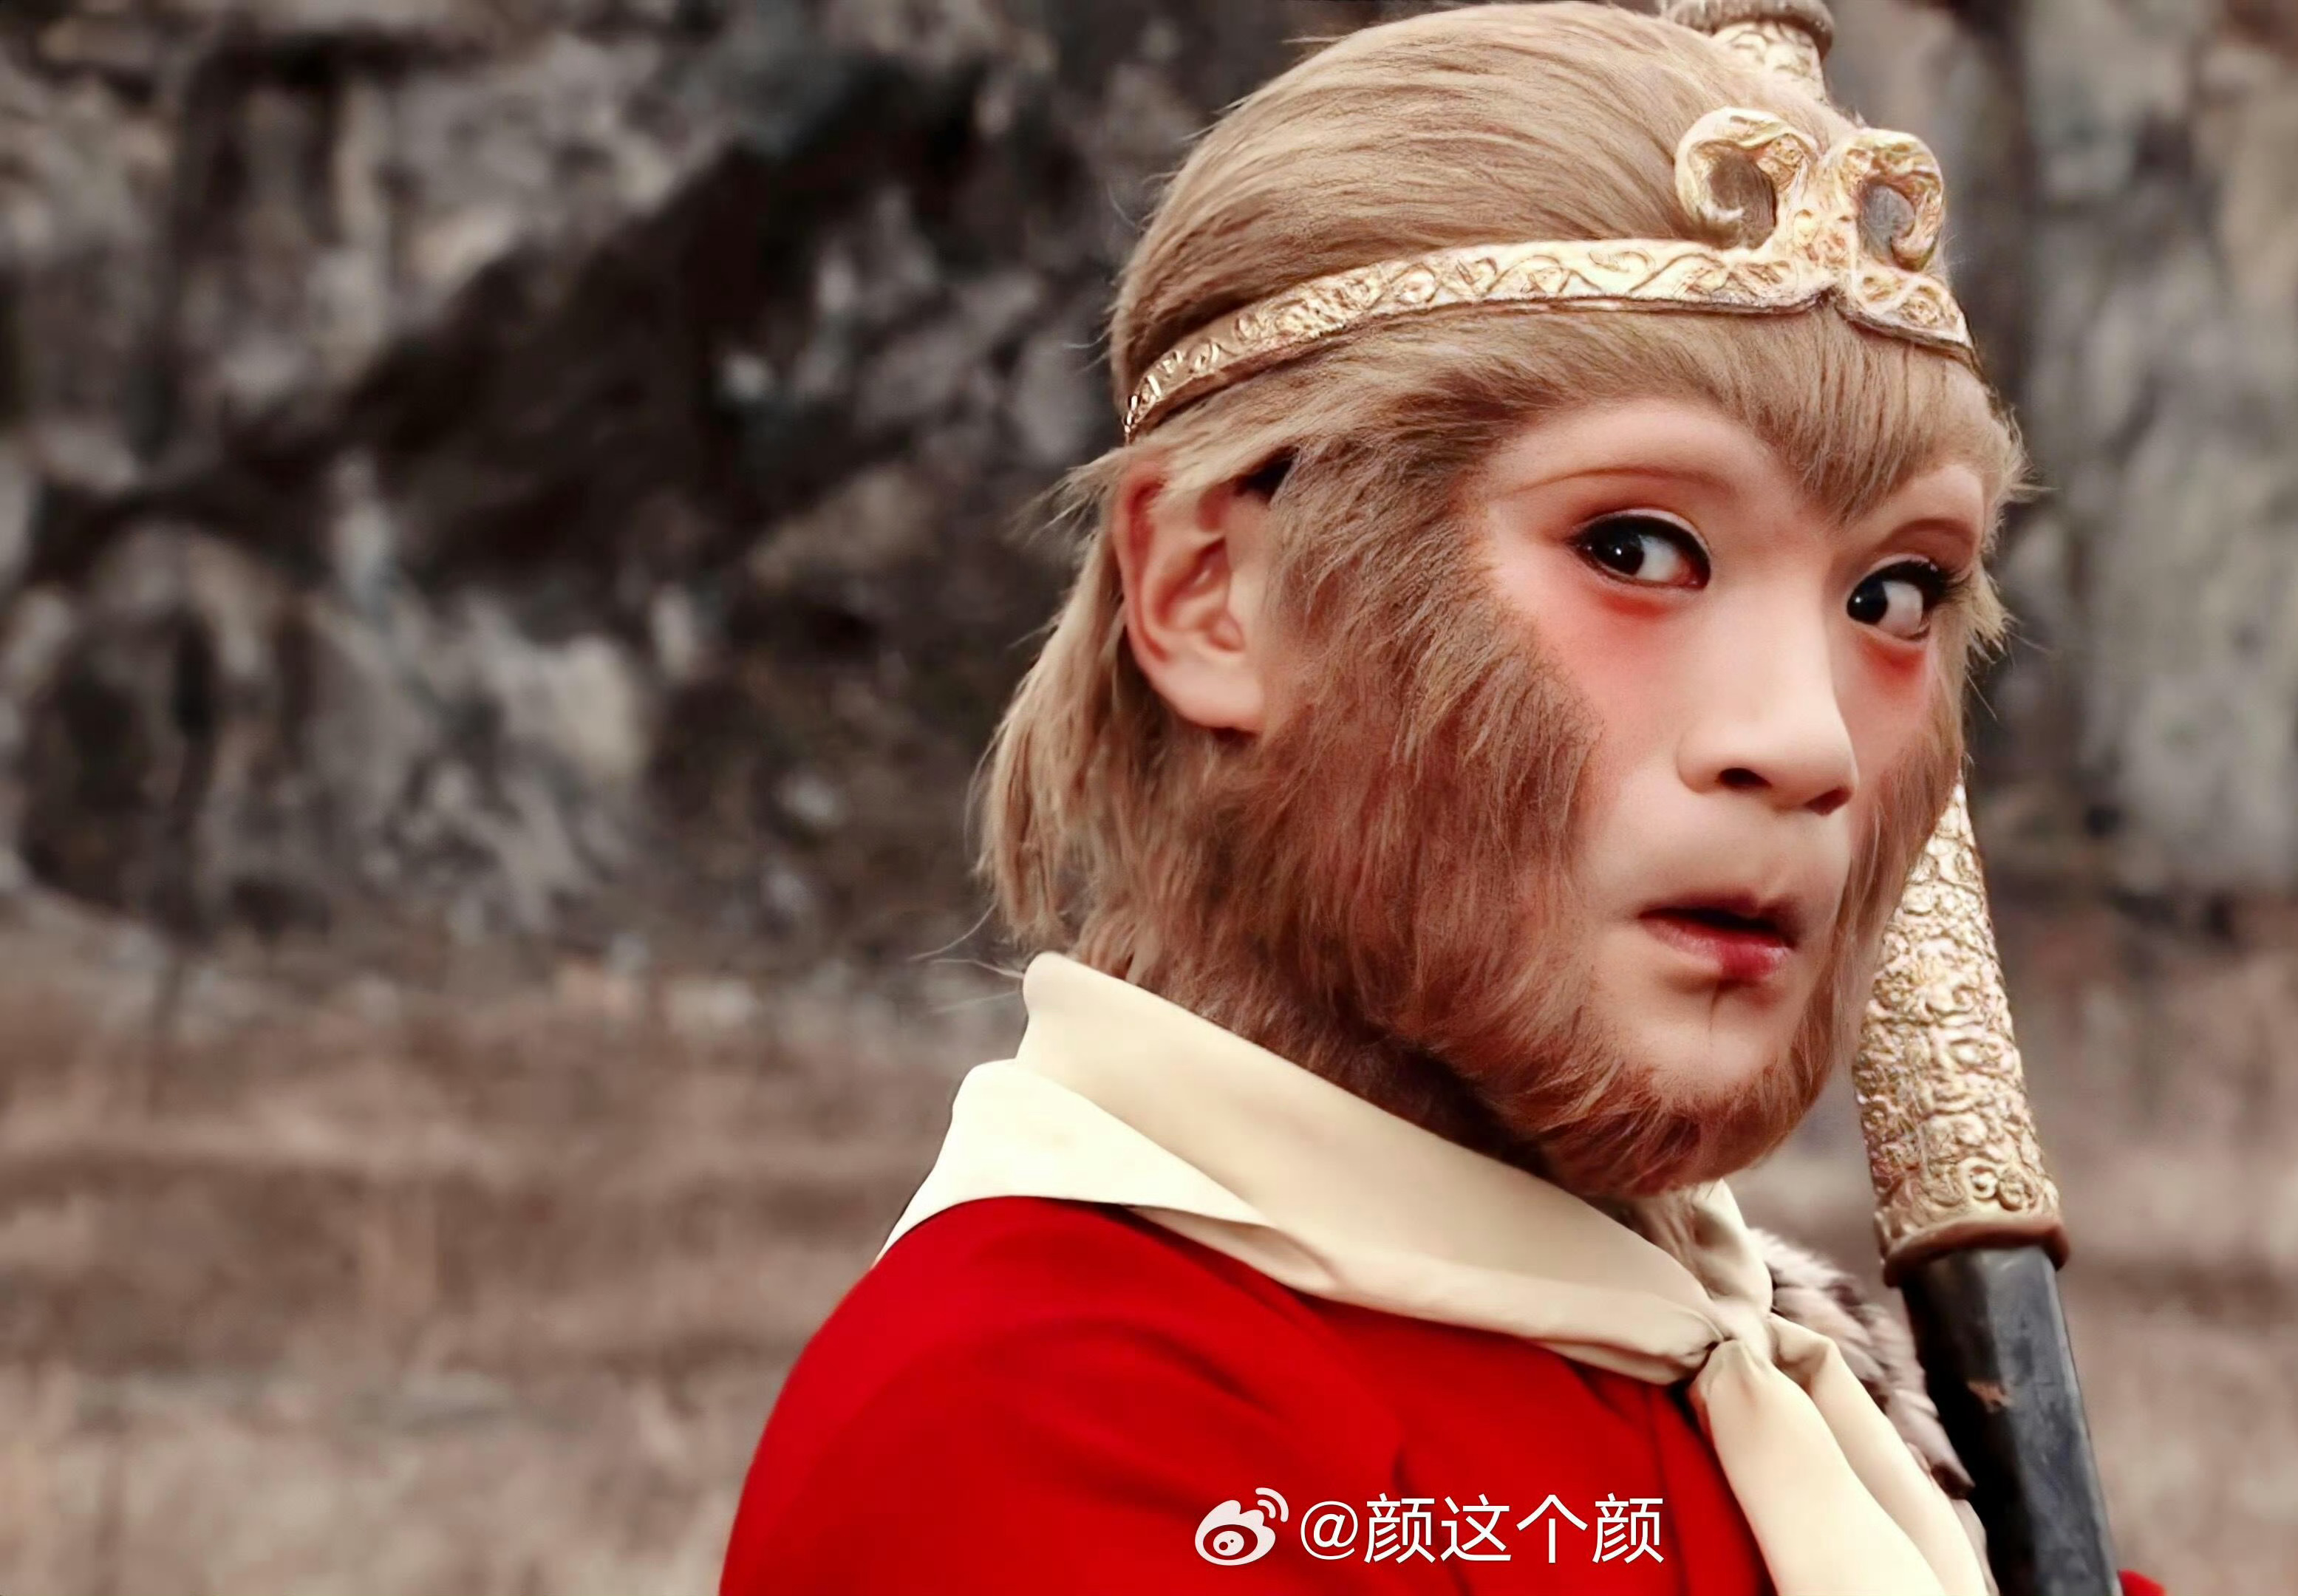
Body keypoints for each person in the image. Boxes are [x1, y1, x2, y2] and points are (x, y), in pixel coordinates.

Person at [721, 2, 2065, 1591]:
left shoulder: (1807, 1407)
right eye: (1635, 547)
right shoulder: (1032, 1444)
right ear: (1213, 593)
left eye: (1895, 594)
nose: (1810, 742)